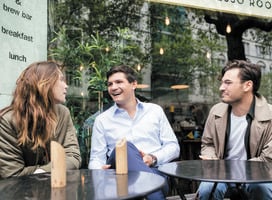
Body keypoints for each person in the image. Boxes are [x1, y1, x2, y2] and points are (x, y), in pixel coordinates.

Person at [89, 65, 180, 200]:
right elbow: (96, 159)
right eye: (110, 84)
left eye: (119, 82)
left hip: (156, 173)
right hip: (119, 177)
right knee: (124, 148)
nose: (113, 87)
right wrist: (99, 170)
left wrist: (153, 158)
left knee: (148, 177)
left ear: (134, 84)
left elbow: (173, 147)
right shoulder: (102, 120)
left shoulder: (155, 111)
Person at [198, 60, 272, 199]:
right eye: (222, 82)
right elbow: (208, 143)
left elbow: (267, 160)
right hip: (221, 175)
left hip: (259, 175)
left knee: (261, 188)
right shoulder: (216, 111)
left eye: (228, 83)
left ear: (247, 85)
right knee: (207, 189)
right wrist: (212, 159)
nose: (221, 87)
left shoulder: (270, 115)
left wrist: (227, 168)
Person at [0, 61, 81, 178]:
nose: (66, 85)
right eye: (61, 80)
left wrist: (39, 171)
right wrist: (53, 168)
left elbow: (73, 157)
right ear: (45, 83)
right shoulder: (7, 120)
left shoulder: (63, 113)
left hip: (57, 188)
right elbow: (12, 174)